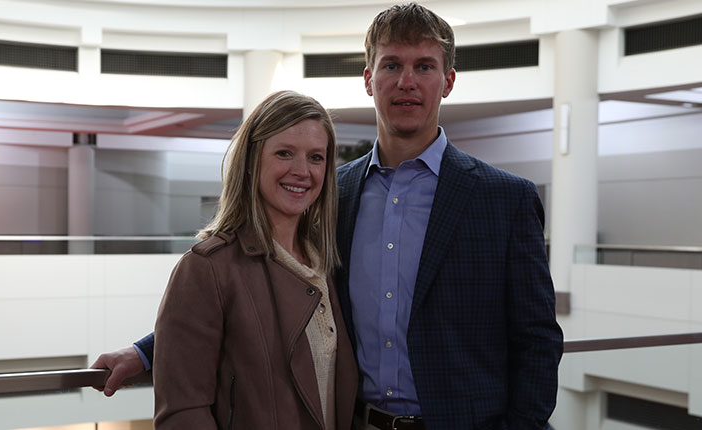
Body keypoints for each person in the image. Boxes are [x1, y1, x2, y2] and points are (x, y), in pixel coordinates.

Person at [93, 3, 563, 429]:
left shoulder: (504, 200)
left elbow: (537, 340)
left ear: (448, 81)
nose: (407, 82)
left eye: (424, 66)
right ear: (368, 79)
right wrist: (147, 352)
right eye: (392, 65)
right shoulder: (331, 195)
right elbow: (259, 291)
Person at [148, 90, 358, 429]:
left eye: (316, 157)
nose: (302, 171)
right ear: (251, 160)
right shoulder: (207, 268)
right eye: (284, 153)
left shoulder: (331, 261)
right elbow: (183, 414)